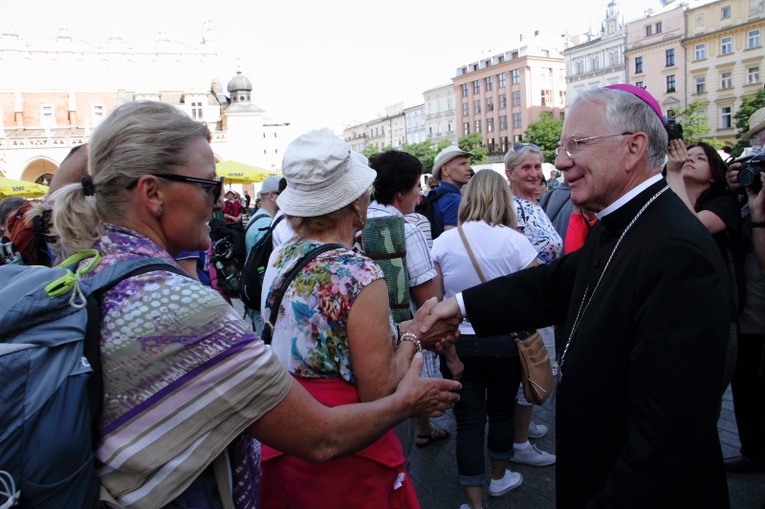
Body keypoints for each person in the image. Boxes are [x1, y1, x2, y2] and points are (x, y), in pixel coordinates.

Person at [47, 102, 461, 508]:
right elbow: (323, 437)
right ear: (152, 192)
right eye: (210, 185)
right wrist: (413, 366)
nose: (217, 200)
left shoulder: (90, 265)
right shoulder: (177, 304)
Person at [422, 84, 733, 508]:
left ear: (633, 147)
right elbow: (551, 284)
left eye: (577, 144)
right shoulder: (622, 224)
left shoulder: (677, 252)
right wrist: (456, 307)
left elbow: (666, 439)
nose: (561, 161)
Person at [257, 129, 461, 508]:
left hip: (290, 431)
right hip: (347, 446)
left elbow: (323, 336)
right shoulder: (358, 272)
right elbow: (379, 390)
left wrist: (399, 331)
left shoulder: (284, 254)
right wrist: (415, 335)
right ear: (354, 203)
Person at [431, 170, 538, 509]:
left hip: (458, 344)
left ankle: (474, 503)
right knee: (503, 412)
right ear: (503, 198)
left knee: (468, 422)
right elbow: (537, 293)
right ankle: (499, 478)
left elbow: (436, 303)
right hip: (505, 343)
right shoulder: (516, 240)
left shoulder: (444, 241)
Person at [367, 150, 461, 451]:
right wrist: (451, 357)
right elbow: (429, 305)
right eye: (415, 189)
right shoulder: (406, 229)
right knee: (398, 447)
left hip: (361, 346)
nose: (419, 196)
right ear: (399, 194)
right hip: (400, 348)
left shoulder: (355, 223)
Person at [504, 142, 560, 466]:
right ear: (510, 173)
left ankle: (521, 428)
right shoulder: (513, 208)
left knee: (534, 368)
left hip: (540, 299)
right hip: (528, 301)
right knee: (533, 368)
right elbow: (512, 258)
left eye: (537, 167)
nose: (535, 173)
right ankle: (519, 443)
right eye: (526, 167)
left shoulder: (533, 203)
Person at [724, 105, 765, 473]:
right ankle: (753, 449)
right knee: (746, 389)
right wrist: (736, 189)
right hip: (744, 309)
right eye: (758, 143)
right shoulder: (746, 188)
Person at [432, 145, 473, 235]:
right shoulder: (453, 200)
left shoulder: (435, 194)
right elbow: (454, 242)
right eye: (462, 164)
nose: (468, 167)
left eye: (467, 163)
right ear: (445, 170)